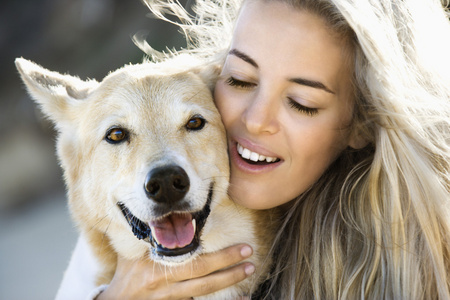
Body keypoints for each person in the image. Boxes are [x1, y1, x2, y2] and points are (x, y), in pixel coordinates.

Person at [57, 0, 450, 299]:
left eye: (302, 102)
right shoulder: (121, 230)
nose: (255, 120)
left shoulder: (416, 262)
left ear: (363, 124)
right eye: (241, 80)